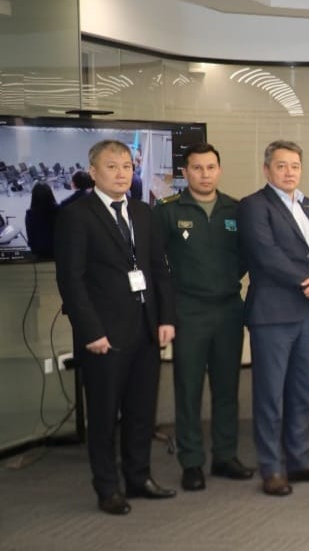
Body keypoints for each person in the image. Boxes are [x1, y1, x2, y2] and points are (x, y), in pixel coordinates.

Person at [55, 139, 178, 515]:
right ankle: (107, 487)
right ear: (93, 172)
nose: (122, 173)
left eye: (127, 166)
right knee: (105, 416)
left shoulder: (143, 212)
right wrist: (90, 331)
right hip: (103, 335)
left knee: (142, 412)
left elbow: (158, 269)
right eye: (112, 167)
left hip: (145, 329)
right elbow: (71, 281)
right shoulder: (76, 216)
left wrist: (166, 318)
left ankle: (138, 478)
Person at [238, 140, 309, 496]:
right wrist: (308, 284)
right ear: (267, 169)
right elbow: (265, 255)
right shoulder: (254, 206)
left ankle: (300, 460)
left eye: (295, 166)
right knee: (270, 395)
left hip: (308, 313)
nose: (289, 172)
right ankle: (272, 467)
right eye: (281, 166)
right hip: (273, 313)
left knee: (300, 391)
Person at [153, 143, 255, 492]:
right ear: (185, 173)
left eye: (211, 167)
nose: (205, 174)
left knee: (227, 387)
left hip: (228, 309)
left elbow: (246, 257)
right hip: (188, 311)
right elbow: (156, 264)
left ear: (219, 170)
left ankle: (225, 456)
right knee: (188, 389)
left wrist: (223, 281)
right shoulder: (168, 211)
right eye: (197, 168)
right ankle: (192, 462)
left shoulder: (235, 209)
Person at [25, 181, 57, 259]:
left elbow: (31, 238)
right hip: (59, 250)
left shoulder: (30, 215)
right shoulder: (59, 211)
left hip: (40, 252)